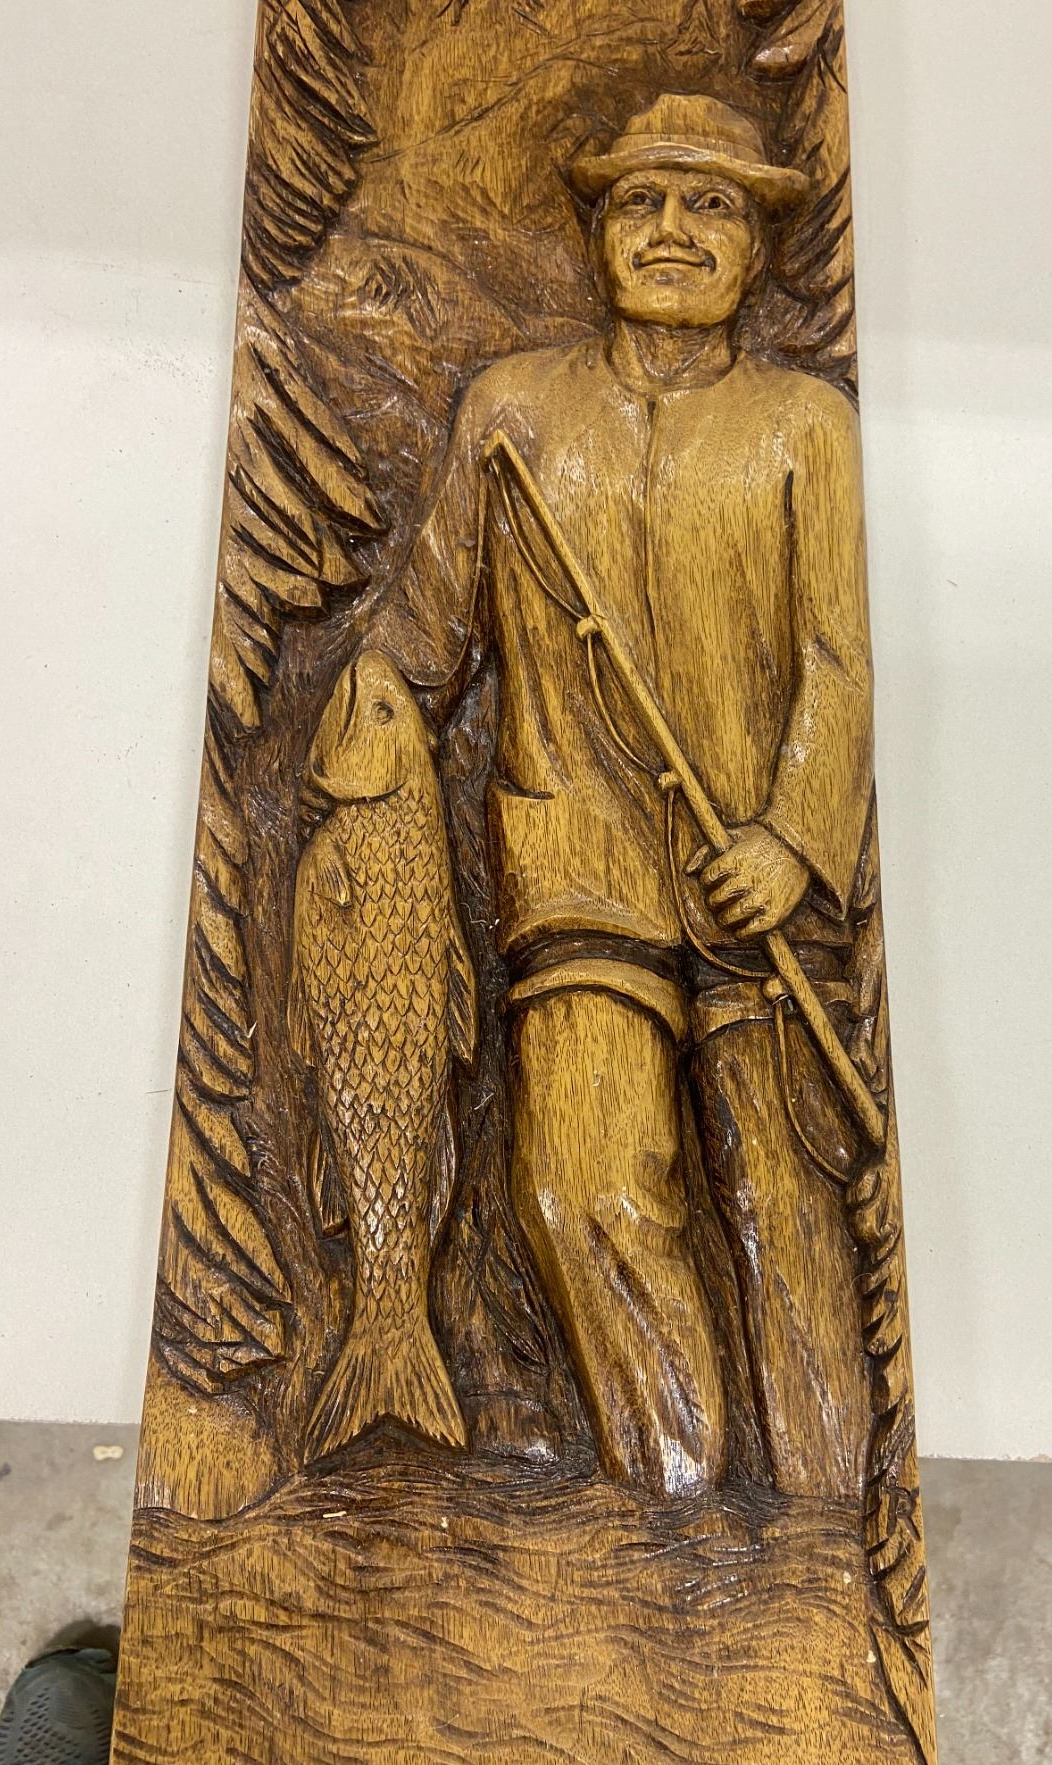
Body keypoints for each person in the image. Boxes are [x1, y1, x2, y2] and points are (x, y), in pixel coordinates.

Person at [390, 93, 876, 1499]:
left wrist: (794, 838)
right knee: (581, 1184)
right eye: (639, 203)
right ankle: (672, 1512)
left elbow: (841, 658)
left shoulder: (804, 424)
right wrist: (367, 711)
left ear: (757, 245)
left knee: (785, 1216)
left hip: (760, 892)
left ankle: (818, 1524)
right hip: (576, 863)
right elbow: (425, 638)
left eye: (710, 204)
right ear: (598, 232)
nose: (673, 231)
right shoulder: (512, 413)